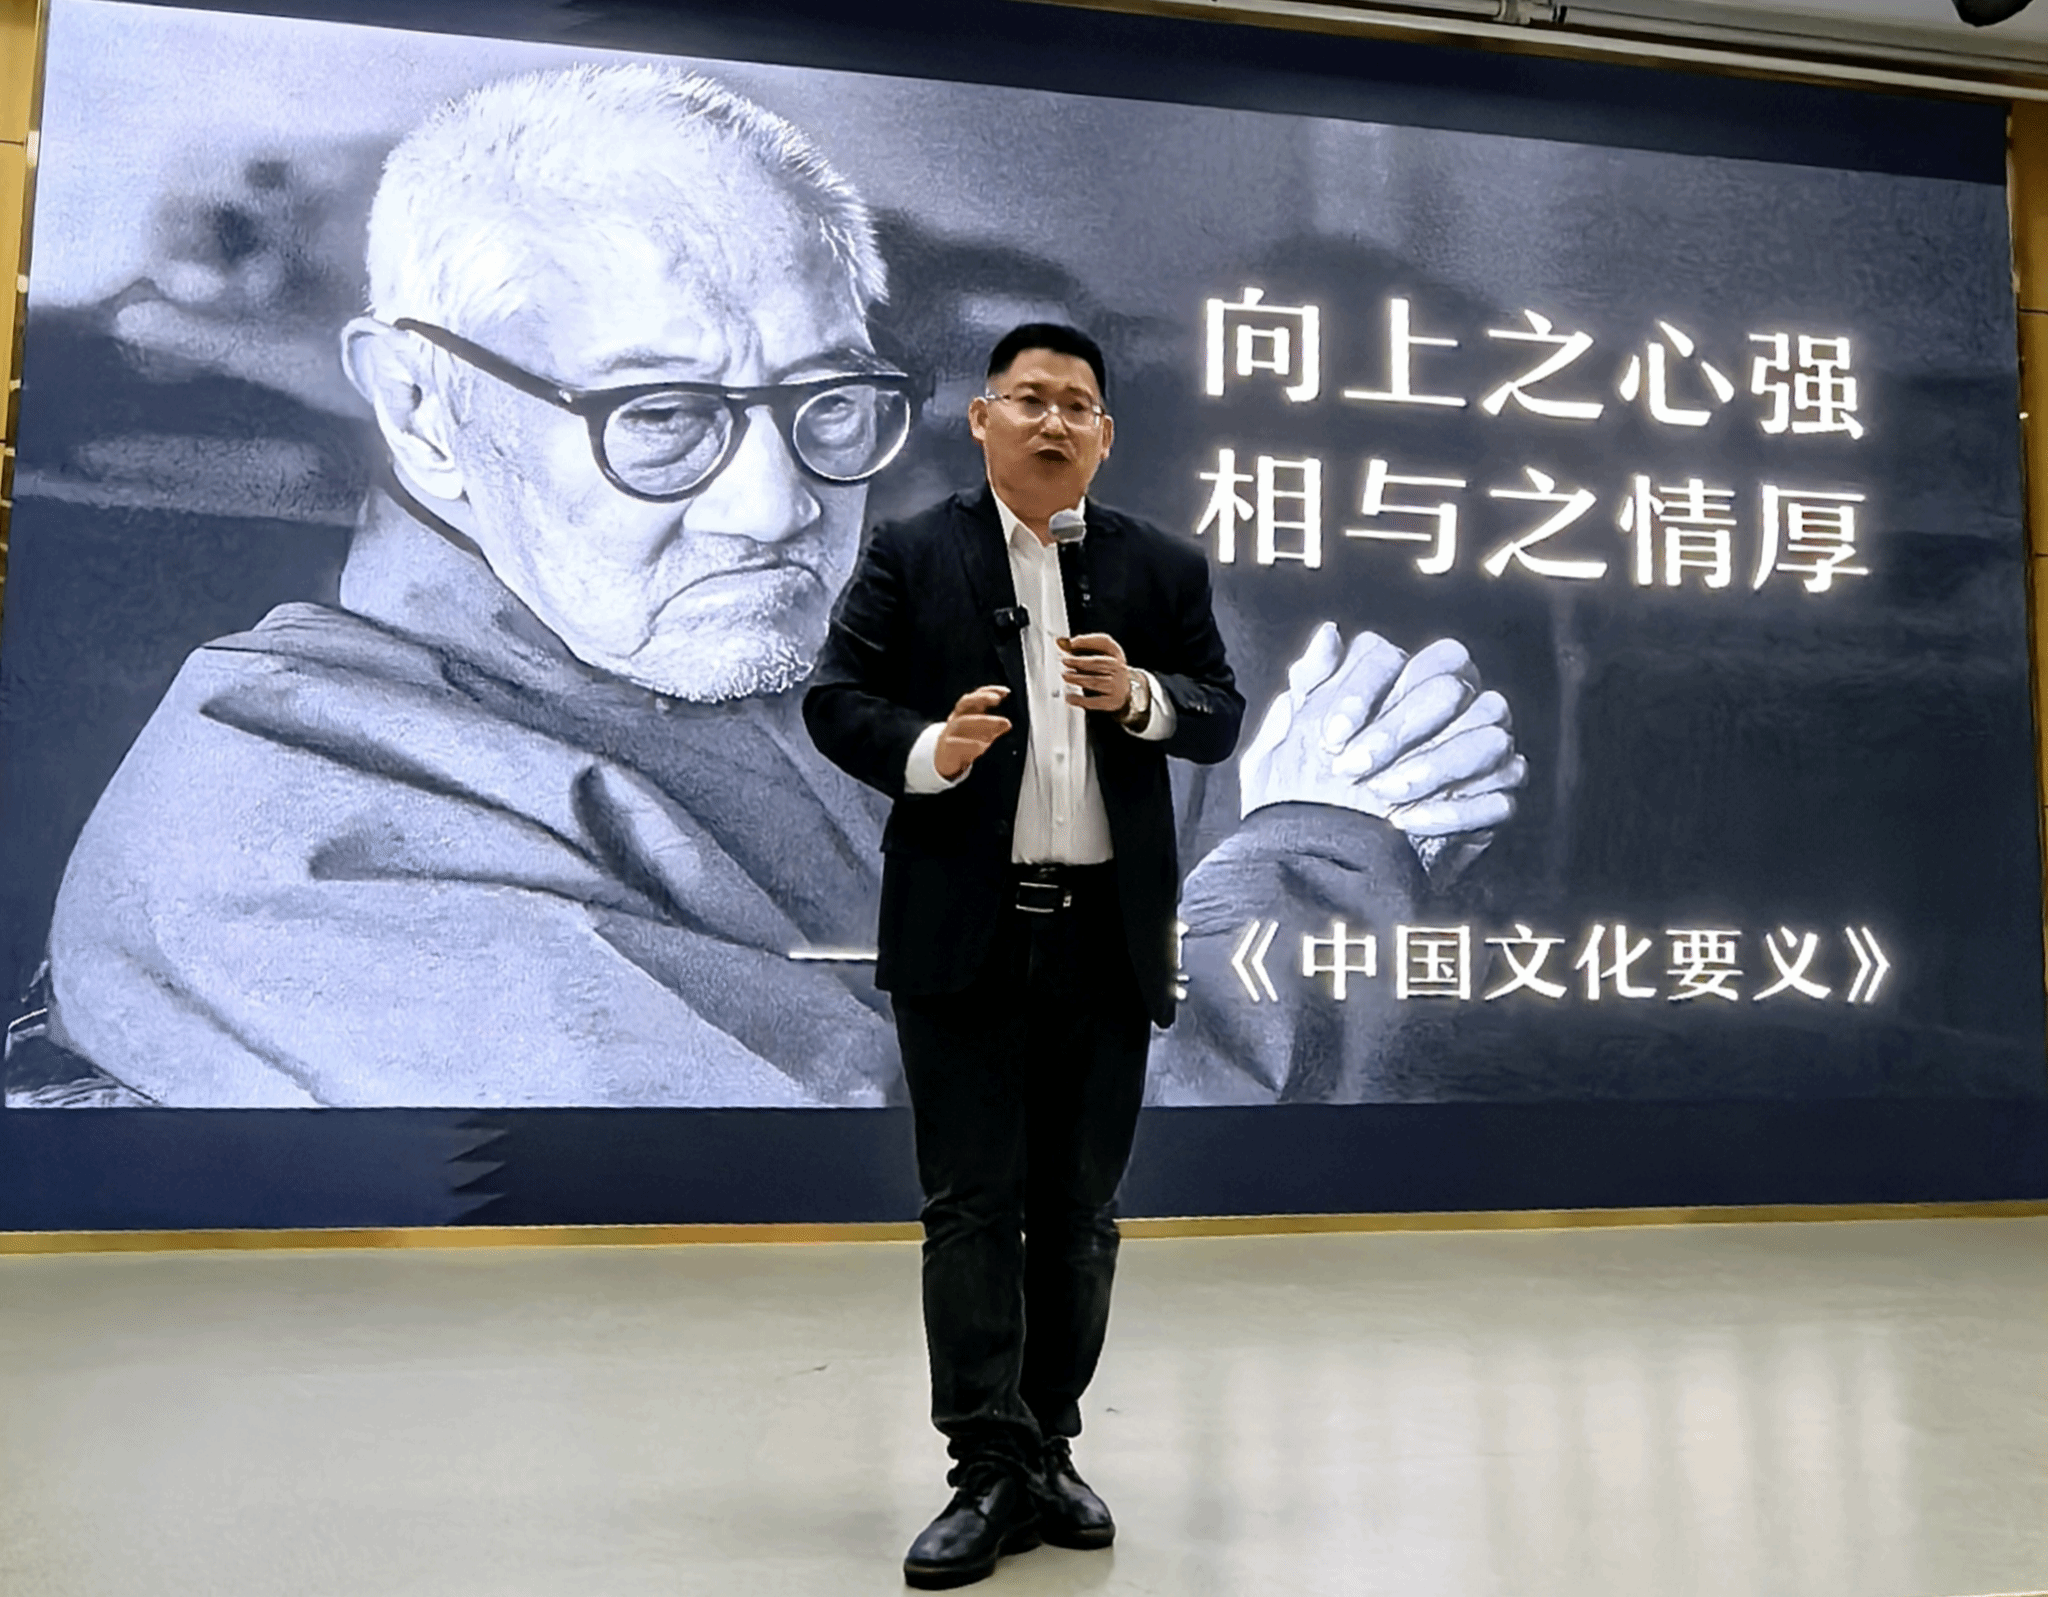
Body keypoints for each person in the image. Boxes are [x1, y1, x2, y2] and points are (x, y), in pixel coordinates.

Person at [28, 62, 1522, 1112]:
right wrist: (1332, 853)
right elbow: (971, 1173)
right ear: (422, 411)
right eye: (659, 418)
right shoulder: (291, 821)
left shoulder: (802, 673)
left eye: (827, 404)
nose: (775, 510)